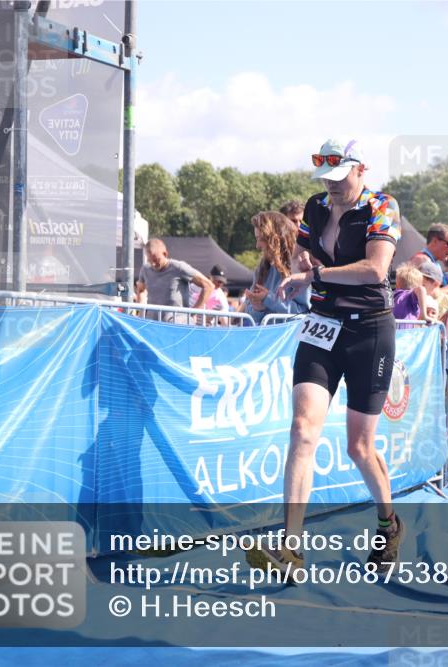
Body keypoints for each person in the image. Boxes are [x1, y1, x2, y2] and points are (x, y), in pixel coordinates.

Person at [244, 138, 405, 574]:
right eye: (326, 179)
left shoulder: (381, 206)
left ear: (360, 170)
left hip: (370, 329)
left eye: (339, 178)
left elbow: (374, 268)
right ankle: (290, 547)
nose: (332, 187)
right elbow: (300, 250)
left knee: (359, 447)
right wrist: (299, 271)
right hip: (323, 323)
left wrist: (313, 273)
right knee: (302, 430)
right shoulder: (315, 206)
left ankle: (388, 523)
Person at [241, 211, 310, 324]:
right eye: (256, 239)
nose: (257, 246)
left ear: (277, 240)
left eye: (261, 239)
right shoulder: (262, 269)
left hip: (291, 340)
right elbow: (251, 316)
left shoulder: (301, 266)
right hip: (268, 339)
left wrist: (268, 298)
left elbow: (304, 313)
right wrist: (257, 307)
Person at [136, 237, 213, 323]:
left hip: (177, 326)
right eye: (150, 260)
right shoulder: (145, 269)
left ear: (165, 254)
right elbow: (141, 290)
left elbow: (208, 286)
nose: (153, 264)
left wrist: (193, 312)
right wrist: (141, 311)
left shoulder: (179, 267)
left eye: (156, 260)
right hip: (152, 325)